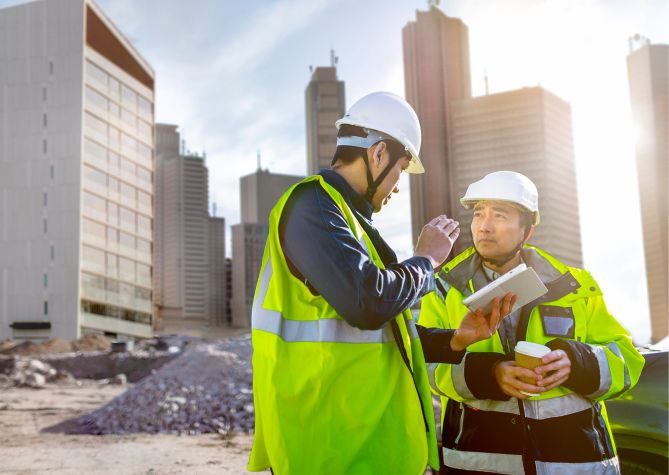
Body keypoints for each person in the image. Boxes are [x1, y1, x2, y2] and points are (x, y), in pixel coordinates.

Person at [247, 92, 516, 474]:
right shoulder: (312, 206)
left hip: (365, 446)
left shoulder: (351, 222)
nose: (397, 185)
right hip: (328, 449)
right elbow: (367, 303)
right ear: (377, 155)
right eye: (402, 169)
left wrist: (454, 340)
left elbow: (383, 333)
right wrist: (426, 260)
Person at [419, 171, 645, 474]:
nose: (484, 226)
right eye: (478, 215)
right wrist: (490, 374)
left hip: (577, 464)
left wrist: (576, 363)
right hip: (479, 464)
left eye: (499, 215)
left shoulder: (575, 287)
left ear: (526, 231)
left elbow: (628, 360)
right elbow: (428, 368)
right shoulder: (443, 290)